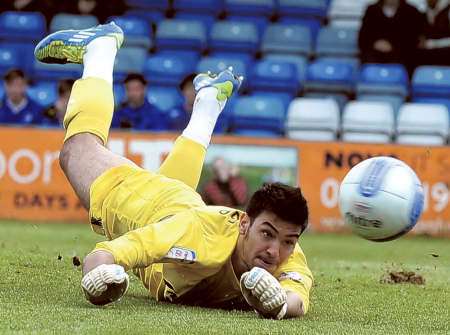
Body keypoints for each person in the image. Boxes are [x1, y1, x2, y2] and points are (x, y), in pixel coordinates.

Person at [34, 22, 312, 319]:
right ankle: (99, 51)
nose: (274, 251)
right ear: (244, 224)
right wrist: (98, 277)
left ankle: (208, 102)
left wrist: (281, 303)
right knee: (75, 149)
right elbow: (109, 253)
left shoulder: (288, 257)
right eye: (267, 234)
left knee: (175, 192)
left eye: (287, 241)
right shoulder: (195, 236)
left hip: (182, 205)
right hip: (144, 207)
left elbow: (298, 297)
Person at [358, 0, 423, 74]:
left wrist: (393, 46)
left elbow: (413, 41)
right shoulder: (371, 10)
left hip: (402, 57)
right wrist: (375, 44)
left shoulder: (411, 12)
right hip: (374, 55)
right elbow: (362, 39)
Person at [416, 0, 450, 66]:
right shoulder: (422, 10)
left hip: (446, 56)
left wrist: (434, 43)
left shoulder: (447, 11)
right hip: (427, 57)